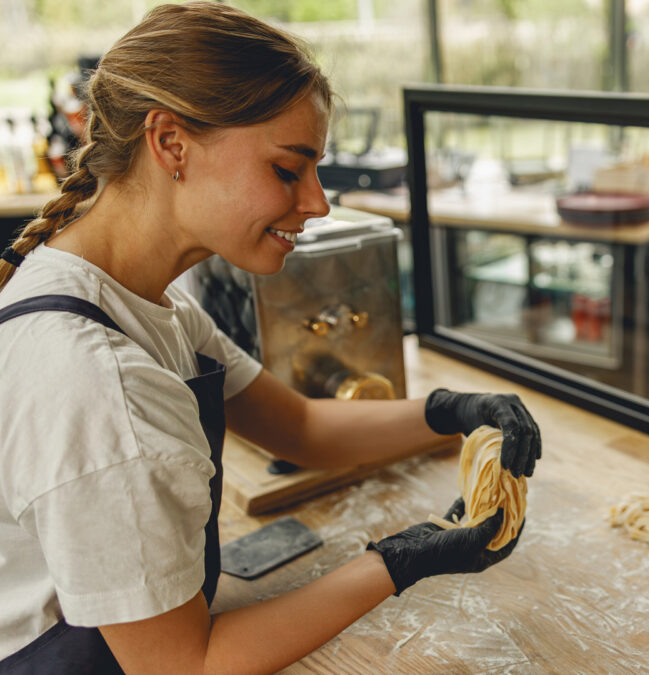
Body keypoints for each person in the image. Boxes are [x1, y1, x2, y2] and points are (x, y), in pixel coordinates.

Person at [0, 3, 541, 673]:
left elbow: (303, 428)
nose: (318, 202)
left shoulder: (139, 302)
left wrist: (455, 413)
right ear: (170, 144)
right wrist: (402, 558)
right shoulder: (95, 384)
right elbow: (186, 665)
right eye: (290, 169)